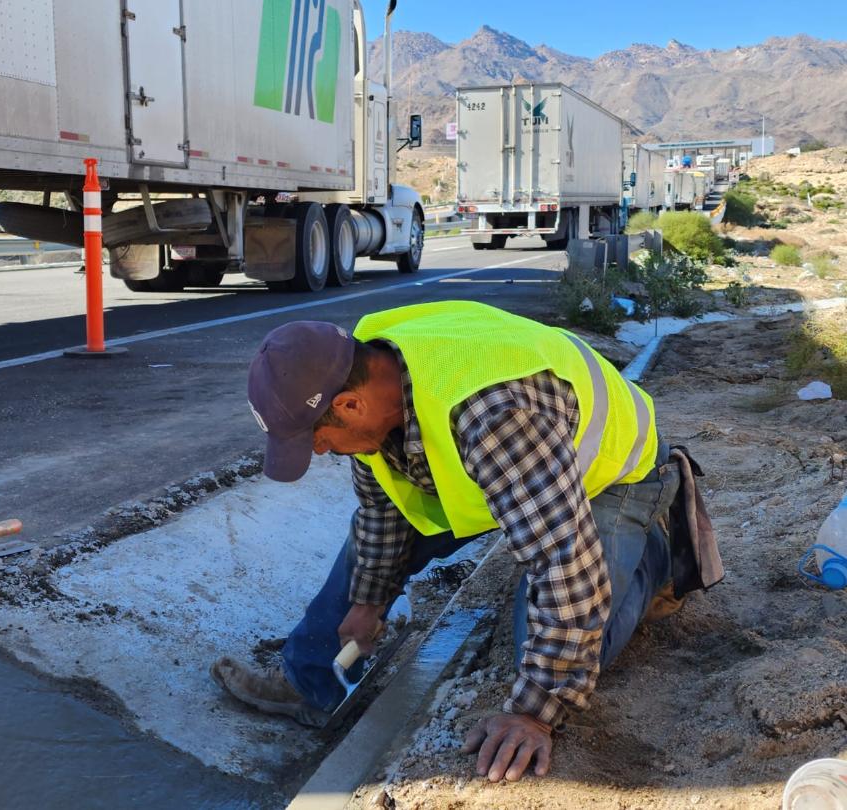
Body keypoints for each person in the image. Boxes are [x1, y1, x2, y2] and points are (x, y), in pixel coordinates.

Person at [211, 300, 718, 782]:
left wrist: (533, 713)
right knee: (367, 553)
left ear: (350, 404)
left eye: (318, 440)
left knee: (560, 648)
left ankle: (654, 554)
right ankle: (309, 681)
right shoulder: (360, 368)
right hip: (525, 468)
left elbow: (568, 566)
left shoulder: (495, 417)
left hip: (614, 475)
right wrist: (369, 601)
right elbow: (383, 509)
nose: (321, 452)